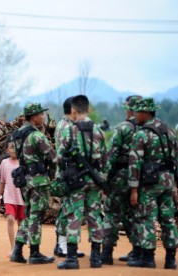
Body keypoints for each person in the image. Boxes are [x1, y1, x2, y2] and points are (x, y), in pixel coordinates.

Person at [57, 95, 107, 269]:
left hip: (75, 182)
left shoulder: (69, 130)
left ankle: (71, 259)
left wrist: (61, 179)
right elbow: (104, 159)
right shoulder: (99, 131)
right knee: (95, 217)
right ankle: (96, 258)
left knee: (74, 216)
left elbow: (61, 158)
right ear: (89, 110)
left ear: (73, 110)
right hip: (95, 181)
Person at [128, 97, 178, 269]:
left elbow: (135, 164)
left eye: (137, 112)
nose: (134, 115)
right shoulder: (169, 131)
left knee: (147, 218)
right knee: (168, 219)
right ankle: (171, 259)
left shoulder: (141, 134)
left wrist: (133, 190)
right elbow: (175, 159)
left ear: (146, 113)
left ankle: (148, 258)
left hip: (150, 183)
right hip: (168, 181)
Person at [11, 103, 57, 265]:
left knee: (30, 215)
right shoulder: (37, 136)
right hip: (38, 181)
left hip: (25, 180)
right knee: (37, 216)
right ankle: (35, 253)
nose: (43, 117)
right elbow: (53, 158)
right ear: (33, 117)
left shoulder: (18, 134)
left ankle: (17, 250)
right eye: (40, 114)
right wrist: (51, 176)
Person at [100, 95, 142, 265]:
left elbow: (111, 157)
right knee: (135, 215)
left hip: (120, 177)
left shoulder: (123, 128)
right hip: (142, 179)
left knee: (111, 213)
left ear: (130, 109)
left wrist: (105, 181)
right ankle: (138, 252)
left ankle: (107, 253)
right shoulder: (149, 129)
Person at [52, 97, 85, 259]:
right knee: (70, 211)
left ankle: (61, 244)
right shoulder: (69, 127)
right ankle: (64, 246)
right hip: (69, 174)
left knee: (65, 209)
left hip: (63, 173)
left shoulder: (61, 124)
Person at [0, 140, 25, 257]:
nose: (13, 150)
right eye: (11, 148)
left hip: (22, 197)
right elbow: (2, 181)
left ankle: (19, 248)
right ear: (7, 150)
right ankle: (13, 248)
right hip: (9, 196)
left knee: (21, 223)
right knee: (10, 219)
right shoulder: (4, 163)